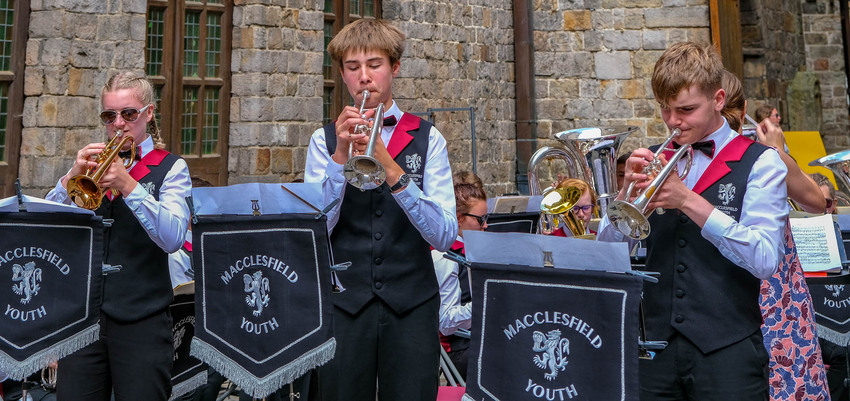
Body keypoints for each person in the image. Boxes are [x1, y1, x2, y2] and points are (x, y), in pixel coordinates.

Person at [598, 42, 788, 400]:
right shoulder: (656, 158)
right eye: (665, 110)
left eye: (686, 109)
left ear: (718, 100)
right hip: (654, 347)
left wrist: (687, 201)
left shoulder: (761, 163)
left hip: (727, 349)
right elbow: (607, 255)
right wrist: (624, 197)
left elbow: (765, 259)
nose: (673, 121)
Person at [304, 18, 457, 401]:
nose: (364, 78)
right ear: (342, 74)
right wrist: (340, 158)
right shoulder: (323, 141)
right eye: (353, 68)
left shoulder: (427, 138)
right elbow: (313, 233)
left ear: (395, 68)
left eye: (374, 65)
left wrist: (390, 167)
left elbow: (443, 234)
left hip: (412, 302)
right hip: (345, 302)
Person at [46, 71, 191, 401]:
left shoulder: (171, 168)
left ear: (148, 114)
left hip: (143, 320)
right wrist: (72, 176)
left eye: (129, 114)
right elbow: (51, 227)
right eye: (109, 115)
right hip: (85, 322)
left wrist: (128, 185)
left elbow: (171, 238)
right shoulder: (90, 167)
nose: (119, 124)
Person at [722, 70, 831, 400]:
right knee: (787, 371)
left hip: (727, 287)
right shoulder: (765, 157)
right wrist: (781, 151)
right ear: (743, 113)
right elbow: (816, 201)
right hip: (774, 289)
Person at [432, 171, 486, 381]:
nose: (486, 226)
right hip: (458, 351)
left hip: (473, 341)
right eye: (481, 220)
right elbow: (445, 322)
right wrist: (486, 303)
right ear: (458, 218)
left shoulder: (468, 249)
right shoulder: (445, 257)